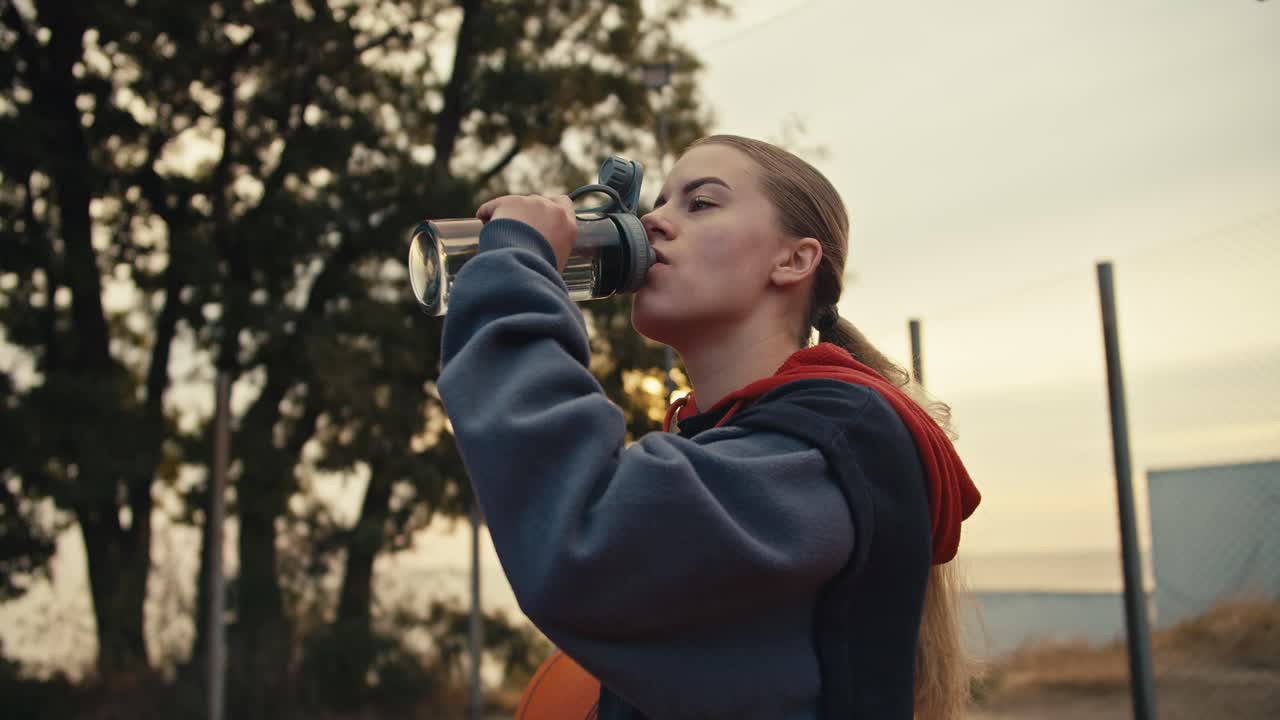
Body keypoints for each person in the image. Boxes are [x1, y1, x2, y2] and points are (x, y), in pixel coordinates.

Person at [437, 135, 981, 719]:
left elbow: (588, 538)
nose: (653, 221)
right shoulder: (747, 444)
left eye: (700, 203)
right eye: (659, 203)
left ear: (793, 261)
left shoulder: (831, 445)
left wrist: (515, 274)